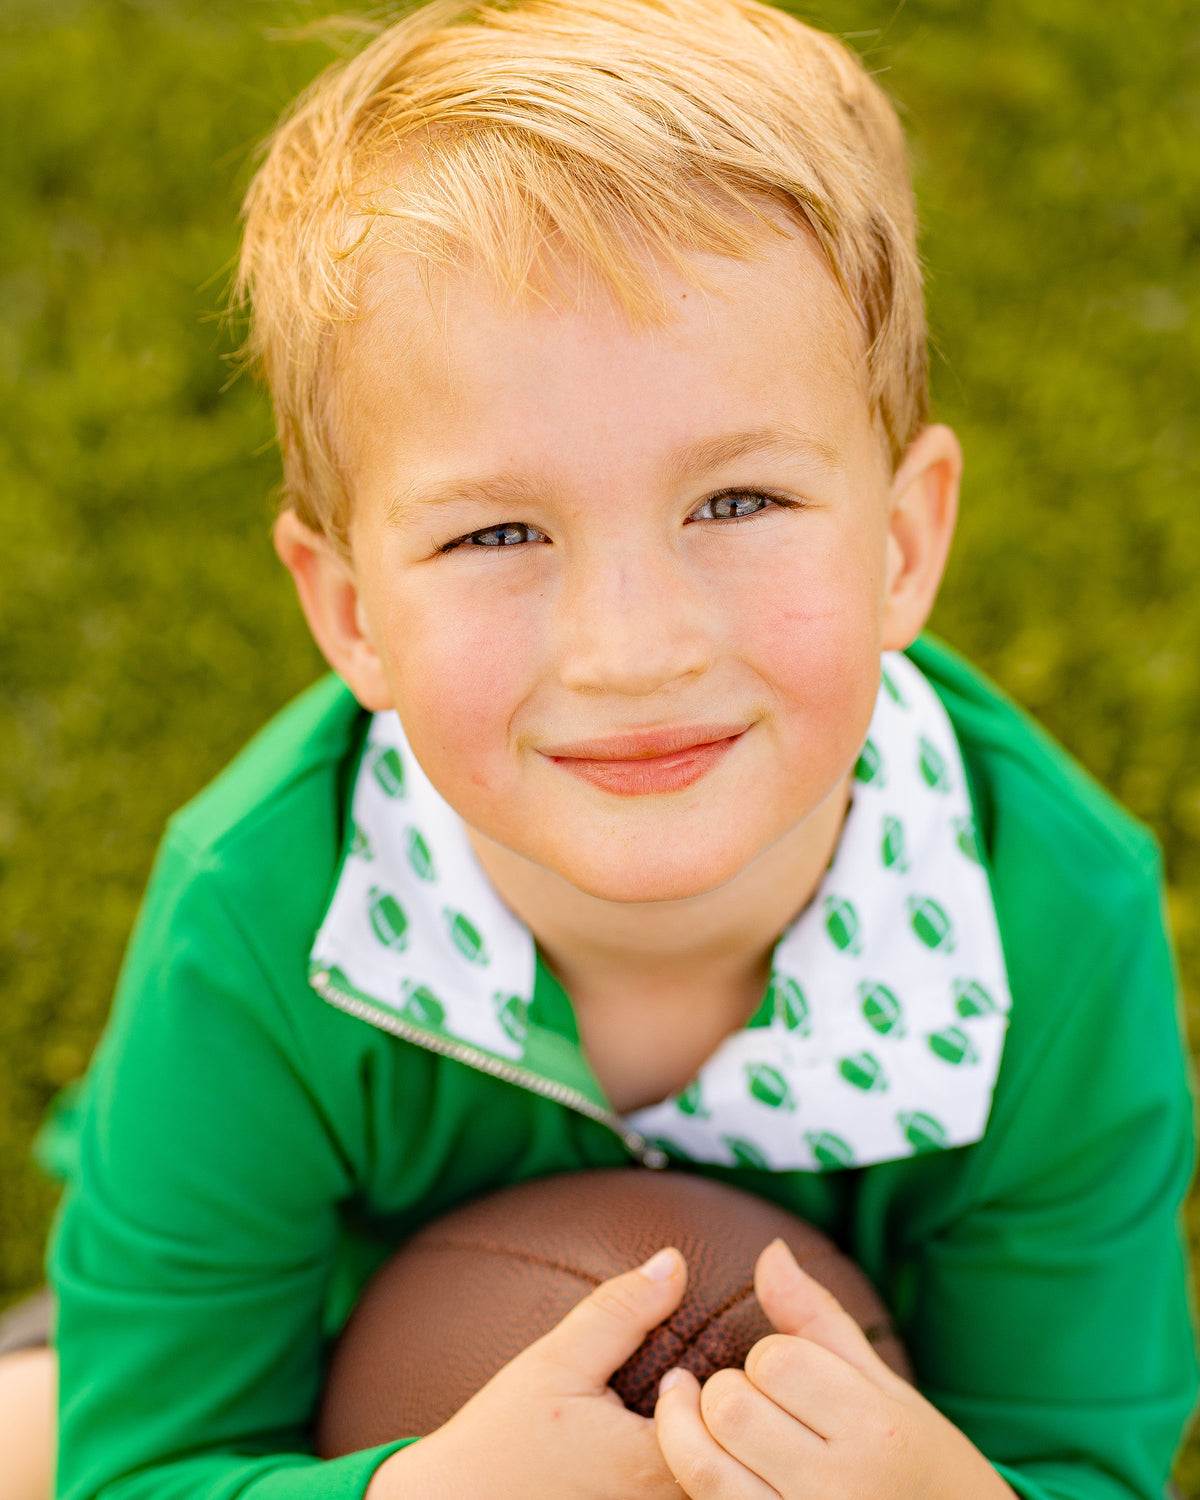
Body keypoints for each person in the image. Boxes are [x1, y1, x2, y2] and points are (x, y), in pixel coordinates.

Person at [2, 0, 1197, 1496]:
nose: (633, 648)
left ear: (903, 541)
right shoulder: (264, 912)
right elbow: (150, 1461)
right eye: (499, 531)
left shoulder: (1047, 922)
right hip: (319, 1376)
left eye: (738, 503)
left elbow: (1078, 1452)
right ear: (351, 608)